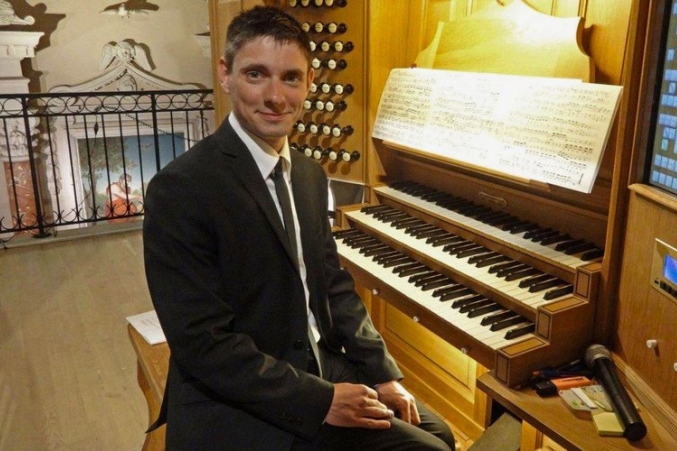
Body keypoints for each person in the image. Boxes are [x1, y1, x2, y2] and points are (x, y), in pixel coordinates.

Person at [142, 6, 454, 451]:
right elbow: (202, 345)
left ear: (310, 82)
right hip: (244, 389)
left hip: (316, 358)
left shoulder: (309, 175)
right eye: (256, 74)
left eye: (290, 77)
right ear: (226, 74)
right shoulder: (180, 189)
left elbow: (333, 284)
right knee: (431, 450)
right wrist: (321, 401)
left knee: (437, 431)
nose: (276, 96)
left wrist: (382, 373)